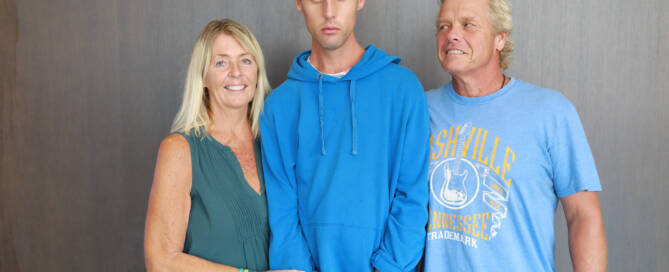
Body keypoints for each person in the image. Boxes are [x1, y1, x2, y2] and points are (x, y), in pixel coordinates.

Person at [423, 0, 607, 271]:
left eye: (468, 24)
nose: (452, 34)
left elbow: (582, 215)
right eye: (444, 25)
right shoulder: (419, 111)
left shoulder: (550, 112)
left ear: (500, 38)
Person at [259, 1, 430, 271]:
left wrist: (388, 267)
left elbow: (412, 196)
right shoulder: (279, 106)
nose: (329, 11)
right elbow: (282, 212)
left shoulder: (403, 89)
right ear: (299, 3)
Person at [144, 19, 300, 272]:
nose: (236, 72)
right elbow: (160, 262)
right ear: (203, 76)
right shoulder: (180, 150)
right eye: (221, 62)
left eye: (245, 60)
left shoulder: (277, 143)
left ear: (257, 72)